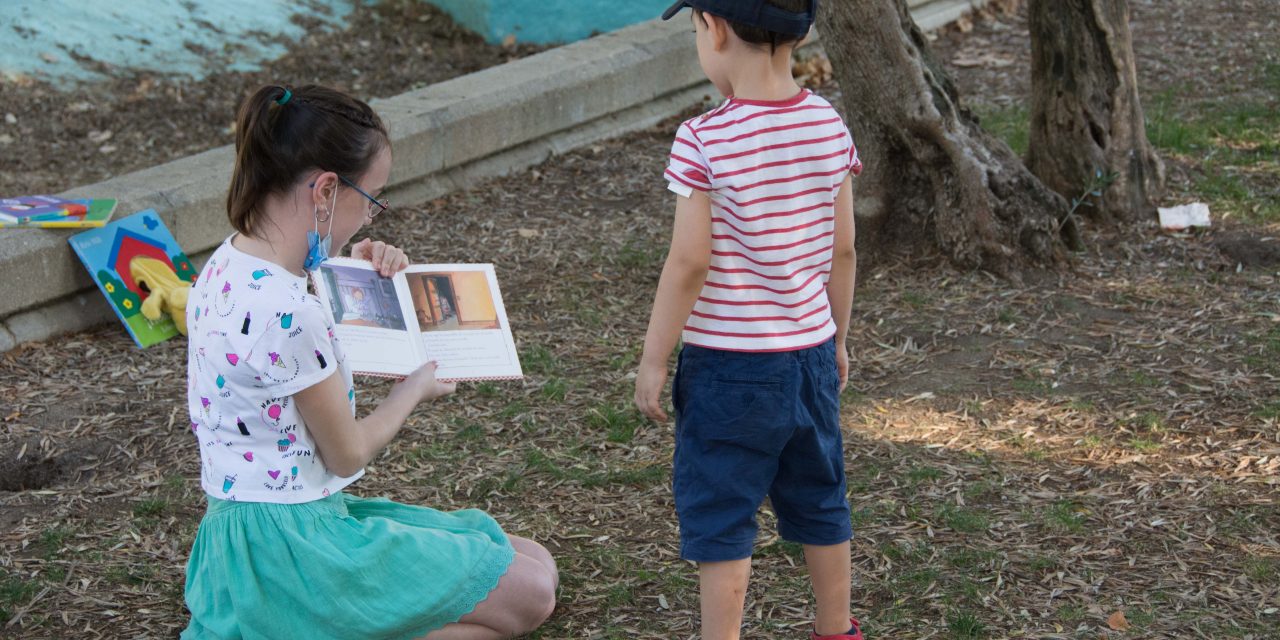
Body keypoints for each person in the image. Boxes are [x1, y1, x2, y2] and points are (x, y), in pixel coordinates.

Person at [183, 84, 556, 640]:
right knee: (532, 596)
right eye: (373, 199)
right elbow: (346, 452)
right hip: (297, 547)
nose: (372, 218)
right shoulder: (289, 310)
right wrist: (414, 389)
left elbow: (281, 344)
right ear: (326, 190)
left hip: (246, 537)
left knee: (533, 562)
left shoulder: (229, 258)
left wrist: (349, 267)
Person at [634, 2, 864, 639]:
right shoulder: (829, 124)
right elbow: (843, 249)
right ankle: (835, 628)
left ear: (715, 29)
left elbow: (688, 262)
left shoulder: (704, 138)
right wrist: (837, 337)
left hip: (727, 370)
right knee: (821, 496)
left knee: (723, 513)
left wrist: (655, 357)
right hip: (810, 355)